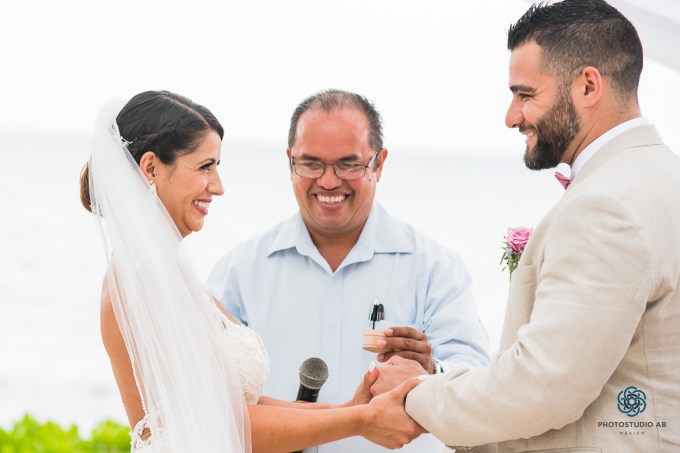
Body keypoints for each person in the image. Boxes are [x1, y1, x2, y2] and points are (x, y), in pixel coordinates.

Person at [381, 1, 680, 451]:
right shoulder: (665, 178)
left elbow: (542, 390)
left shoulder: (604, 206)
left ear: (588, 85)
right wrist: (441, 377)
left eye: (525, 95)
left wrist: (415, 395)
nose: (511, 116)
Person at [80, 90, 425, 453]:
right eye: (204, 167)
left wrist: (351, 409)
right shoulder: (139, 278)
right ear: (151, 168)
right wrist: (360, 421)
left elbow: (238, 406)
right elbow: (222, 423)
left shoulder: (169, 273)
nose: (218, 186)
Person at [207, 89, 490, 452]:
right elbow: (208, 396)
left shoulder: (436, 268)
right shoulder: (239, 271)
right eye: (311, 163)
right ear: (290, 162)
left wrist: (431, 372)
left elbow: (478, 383)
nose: (329, 181)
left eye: (348, 164)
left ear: (379, 164)